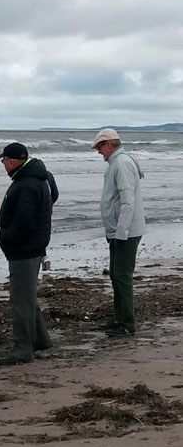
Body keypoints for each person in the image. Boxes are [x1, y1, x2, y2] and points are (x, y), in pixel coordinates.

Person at [0, 142, 53, 365]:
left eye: (4, 161)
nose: (3, 165)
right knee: (27, 297)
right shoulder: (34, 179)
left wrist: (7, 235)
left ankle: (23, 348)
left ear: (10, 162)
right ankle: (40, 339)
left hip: (24, 250)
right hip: (31, 248)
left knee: (21, 300)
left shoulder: (27, 184)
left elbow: (25, 222)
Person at [92, 128, 145, 337]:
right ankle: (120, 318)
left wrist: (121, 233)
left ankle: (126, 324)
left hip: (126, 232)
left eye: (99, 147)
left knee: (121, 277)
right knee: (116, 275)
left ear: (109, 144)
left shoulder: (121, 163)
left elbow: (127, 202)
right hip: (119, 231)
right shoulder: (117, 162)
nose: (98, 152)